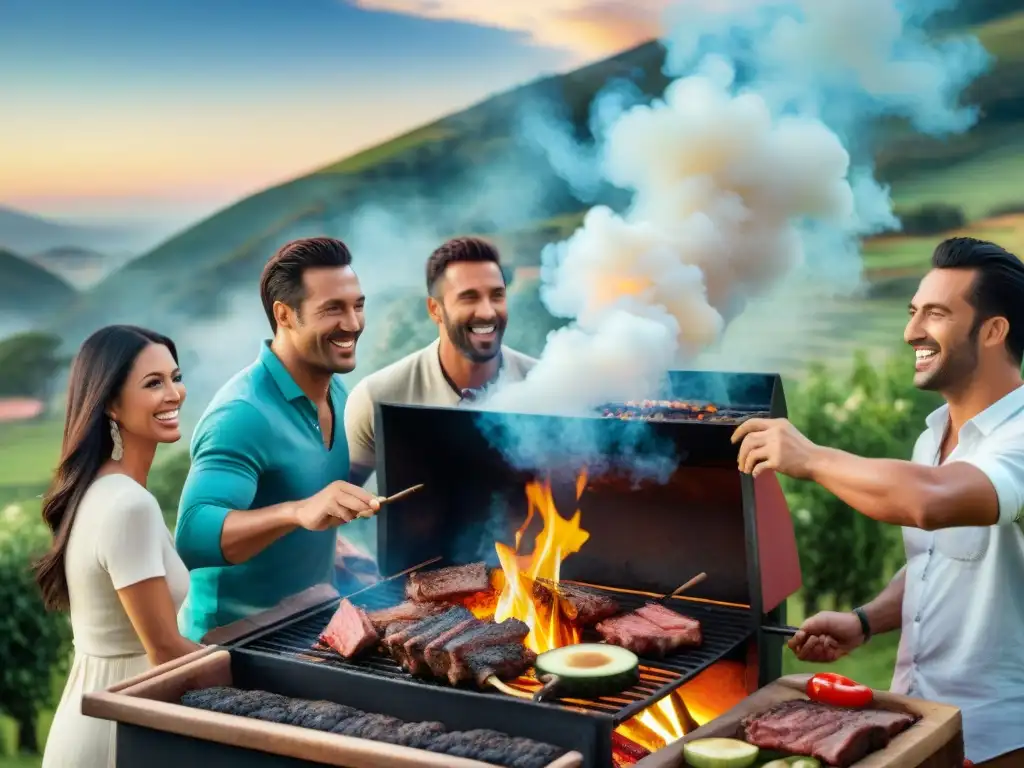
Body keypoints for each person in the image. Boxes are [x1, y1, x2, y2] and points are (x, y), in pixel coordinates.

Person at [731, 237, 1024, 767]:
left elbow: (929, 503)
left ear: (994, 330)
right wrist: (864, 621)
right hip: (917, 722)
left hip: (998, 738)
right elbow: (941, 564)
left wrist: (813, 457)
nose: (912, 332)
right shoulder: (933, 439)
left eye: (935, 314)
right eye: (913, 312)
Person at [175, 237, 379, 642]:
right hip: (232, 641)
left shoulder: (339, 393)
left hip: (309, 624)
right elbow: (193, 536)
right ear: (285, 315)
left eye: (357, 305)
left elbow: (306, 494)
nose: (353, 323)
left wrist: (334, 546)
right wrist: (296, 512)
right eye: (332, 309)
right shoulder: (242, 415)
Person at [35, 325, 200, 768]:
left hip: (100, 714)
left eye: (175, 377)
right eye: (153, 383)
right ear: (110, 402)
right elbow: (164, 648)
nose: (174, 394)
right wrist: (259, 673)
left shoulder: (98, 489)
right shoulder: (130, 506)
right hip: (118, 733)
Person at [344, 236, 536, 487]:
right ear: (435, 310)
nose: (488, 311)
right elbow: (332, 506)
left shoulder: (547, 384)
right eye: (469, 298)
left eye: (497, 296)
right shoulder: (378, 396)